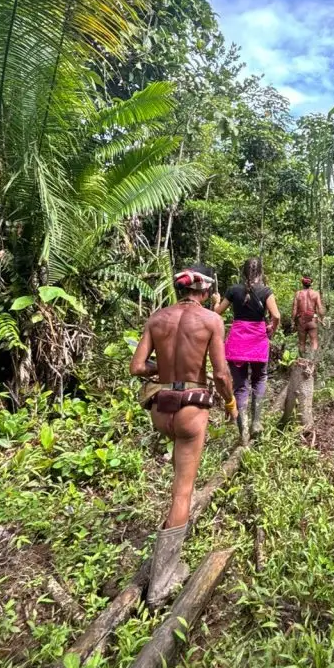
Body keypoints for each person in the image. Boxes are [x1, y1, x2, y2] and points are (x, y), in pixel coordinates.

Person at [130, 264, 237, 608]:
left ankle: (161, 556)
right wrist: (231, 405)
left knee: (176, 480)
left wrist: (164, 369)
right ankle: (163, 581)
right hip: (191, 411)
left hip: (161, 409)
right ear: (205, 292)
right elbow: (220, 374)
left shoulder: (156, 318)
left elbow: (137, 367)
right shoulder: (211, 321)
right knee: (183, 490)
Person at [212, 257, 280, 439]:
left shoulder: (233, 290)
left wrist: (216, 300)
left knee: (240, 385)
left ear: (243, 272)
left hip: (237, 342)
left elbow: (217, 312)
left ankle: (243, 431)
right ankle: (256, 422)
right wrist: (272, 329)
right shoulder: (266, 291)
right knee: (259, 378)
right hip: (258, 340)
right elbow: (276, 315)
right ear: (261, 272)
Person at [292, 274, 325, 356]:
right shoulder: (316, 293)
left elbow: (294, 309)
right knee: (314, 341)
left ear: (302, 283)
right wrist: (322, 319)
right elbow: (320, 308)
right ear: (311, 284)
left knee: (301, 343)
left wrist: (293, 321)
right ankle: (312, 360)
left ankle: (302, 360)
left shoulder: (298, 294)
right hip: (312, 319)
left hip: (301, 320)